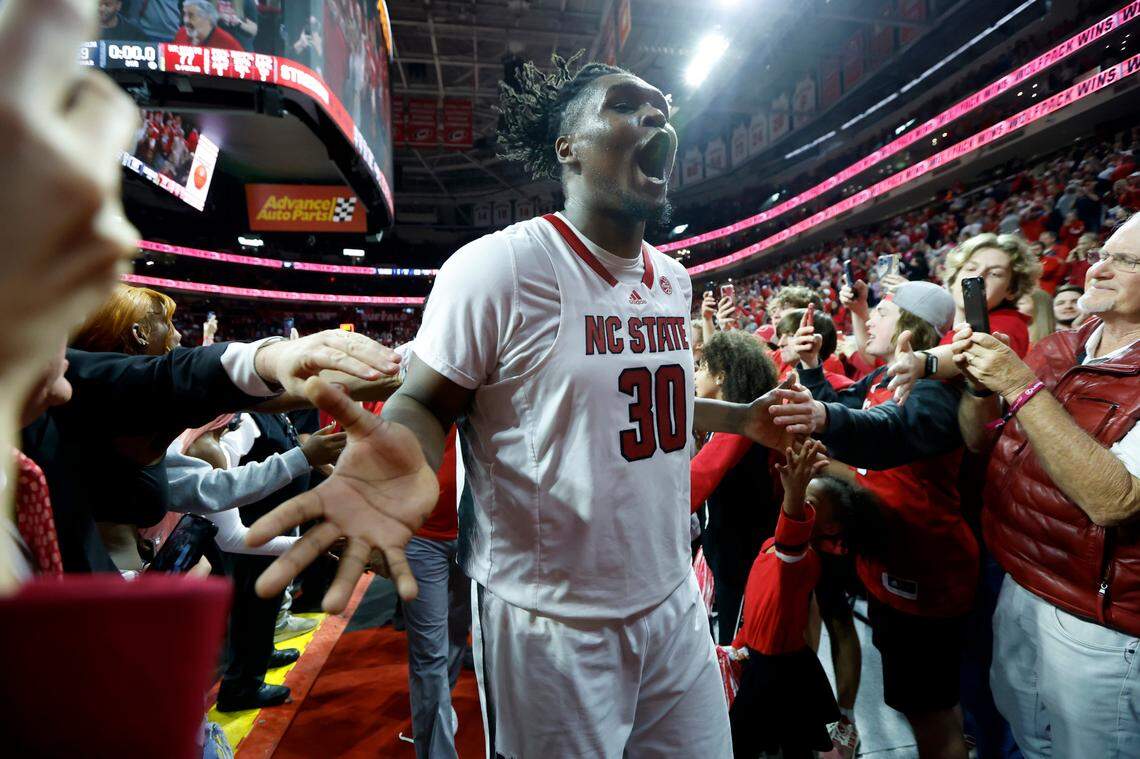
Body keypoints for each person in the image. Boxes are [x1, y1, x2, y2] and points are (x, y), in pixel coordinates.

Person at [245, 53, 817, 757]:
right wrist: (396, 452)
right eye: (625, 106)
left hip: (671, 598)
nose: (654, 117)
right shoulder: (499, 267)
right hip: (550, 618)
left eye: (660, 111)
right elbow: (424, 398)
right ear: (566, 147)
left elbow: (623, 399)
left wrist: (738, 417)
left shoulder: (674, 278)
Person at [954, 212, 1140, 759]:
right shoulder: (1064, 347)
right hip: (1020, 581)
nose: (1098, 269)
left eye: (1125, 261)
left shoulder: (1039, 361)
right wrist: (979, 390)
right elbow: (978, 440)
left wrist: (1018, 384)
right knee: (1030, 740)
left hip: (1095, 619)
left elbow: (1115, 500)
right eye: (1102, 253)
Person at [798, 280, 974, 759]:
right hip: (892, 565)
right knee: (924, 706)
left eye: (881, 311)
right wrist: (814, 374)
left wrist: (824, 418)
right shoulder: (882, 380)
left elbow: (895, 433)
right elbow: (851, 412)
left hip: (924, 570)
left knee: (932, 716)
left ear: (911, 328)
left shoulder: (938, 387)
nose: (868, 320)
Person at [727, 439, 838, 759]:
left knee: (750, 742)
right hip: (764, 660)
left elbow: (792, 537)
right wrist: (740, 642)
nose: (802, 502)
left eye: (810, 502)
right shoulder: (770, 545)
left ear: (829, 525)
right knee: (789, 740)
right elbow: (757, 607)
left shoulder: (801, 560)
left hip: (778, 671)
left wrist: (793, 493)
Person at [690, 330, 780, 645]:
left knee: (738, 654)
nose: (696, 373)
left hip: (743, 567)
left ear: (721, 376)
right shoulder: (731, 422)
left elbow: (690, 487)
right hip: (729, 561)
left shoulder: (741, 431)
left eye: (701, 367)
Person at [173, 0, 244, 50]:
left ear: (207, 18)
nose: (186, 20)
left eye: (191, 15)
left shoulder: (228, 43)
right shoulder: (181, 33)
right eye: (185, 15)